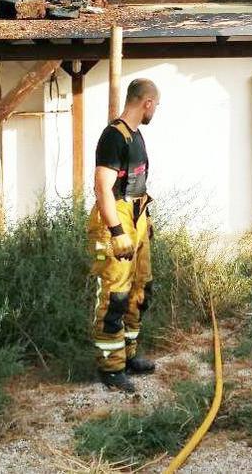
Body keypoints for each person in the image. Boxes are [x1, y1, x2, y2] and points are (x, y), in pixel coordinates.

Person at [87, 78, 160, 393]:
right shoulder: (113, 137)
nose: (155, 110)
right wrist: (117, 231)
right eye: (155, 105)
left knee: (139, 290)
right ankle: (110, 367)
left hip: (137, 217)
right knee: (115, 294)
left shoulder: (136, 136)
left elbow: (135, 183)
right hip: (116, 218)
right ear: (146, 103)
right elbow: (102, 187)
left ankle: (128, 355)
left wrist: (145, 222)